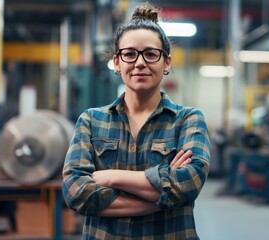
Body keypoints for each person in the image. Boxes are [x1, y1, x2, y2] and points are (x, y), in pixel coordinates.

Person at [62, 3, 211, 240]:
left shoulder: (188, 120)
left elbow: (188, 184)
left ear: (167, 63)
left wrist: (110, 177)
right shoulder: (91, 121)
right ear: (117, 62)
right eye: (130, 54)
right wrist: (161, 197)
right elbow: (75, 193)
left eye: (151, 54)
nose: (140, 62)